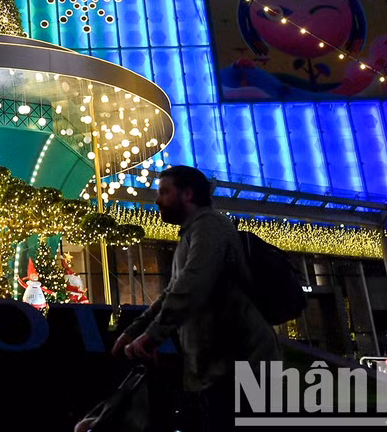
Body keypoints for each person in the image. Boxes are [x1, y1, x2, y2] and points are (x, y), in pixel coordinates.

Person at [112, 166, 279, 431]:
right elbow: (172, 291)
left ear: (187, 194)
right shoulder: (192, 233)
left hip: (241, 363)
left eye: (164, 192)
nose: (157, 200)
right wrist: (136, 330)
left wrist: (151, 336)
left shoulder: (210, 226)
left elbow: (192, 286)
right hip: (217, 364)